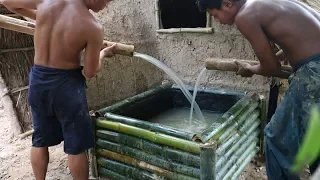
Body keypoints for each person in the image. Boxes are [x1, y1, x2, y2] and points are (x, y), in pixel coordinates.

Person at [196, 0, 320, 179]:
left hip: (314, 69)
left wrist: (250, 69)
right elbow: (292, 41)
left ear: (227, 3)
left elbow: (271, 67)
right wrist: (269, 61)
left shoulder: (245, 15)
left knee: (276, 138)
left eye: (215, 15)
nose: (217, 21)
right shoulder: (264, 4)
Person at [1, 0, 116, 179]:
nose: (106, 6)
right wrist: (103, 54)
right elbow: (90, 71)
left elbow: (8, 2)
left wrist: (41, 17)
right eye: (107, 1)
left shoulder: (47, 1)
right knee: (76, 145)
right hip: (66, 86)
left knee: (39, 139)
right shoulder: (92, 27)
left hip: (38, 81)